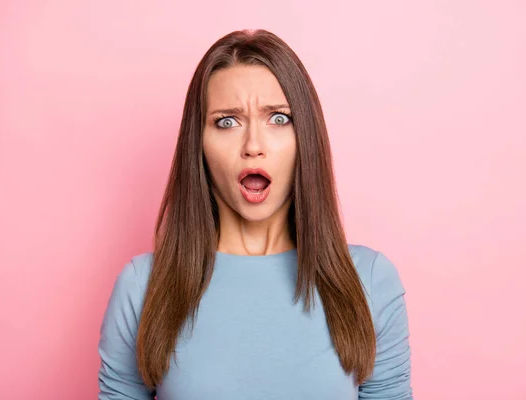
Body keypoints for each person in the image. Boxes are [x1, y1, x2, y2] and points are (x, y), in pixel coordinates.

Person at [98, 29, 413, 400]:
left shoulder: (370, 281)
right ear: (197, 145)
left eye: (278, 119)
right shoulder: (142, 287)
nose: (253, 146)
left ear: (305, 138)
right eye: (227, 122)